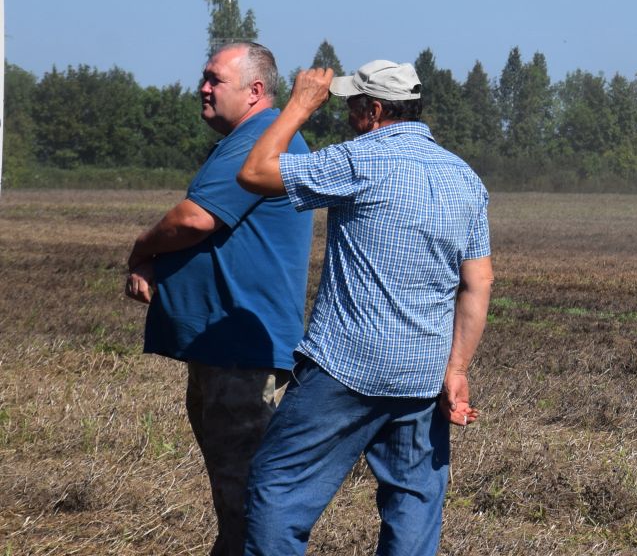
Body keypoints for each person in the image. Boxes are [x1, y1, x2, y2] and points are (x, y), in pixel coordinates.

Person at [236, 60, 493, 556]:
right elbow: (478, 282)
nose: (347, 116)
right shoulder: (466, 178)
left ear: (373, 111)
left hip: (347, 364)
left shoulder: (362, 159)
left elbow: (254, 172)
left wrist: (298, 105)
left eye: (352, 105)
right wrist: (455, 368)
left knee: (278, 487)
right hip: (421, 373)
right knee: (414, 500)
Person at [125, 42, 313, 556]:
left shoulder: (262, 142)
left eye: (214, 79)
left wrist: (141, 250)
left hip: (242, 356)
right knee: (237, 500)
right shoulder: (251, 139)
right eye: (203, 77)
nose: (202, 88)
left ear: (255, 92)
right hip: (225, 349)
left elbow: (194, 218)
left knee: (248, 500)